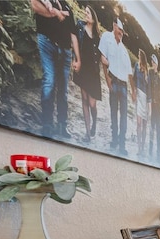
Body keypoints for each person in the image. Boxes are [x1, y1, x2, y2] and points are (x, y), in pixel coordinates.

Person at [30, 0, 81, 139]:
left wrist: (78, 58)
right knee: (49, 81)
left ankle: (62, 125)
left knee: (63, 90)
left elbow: (73, 34)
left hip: (65, 51)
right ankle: (47, 124)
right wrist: (56, 13)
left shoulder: (67, 6)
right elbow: (35, 5)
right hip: (47, 43)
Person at [98, 17, 134, 156]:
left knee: (124, 115)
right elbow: (103, 58)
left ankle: (122, 144)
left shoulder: (124, 50)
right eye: (120, 29)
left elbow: (129, 74)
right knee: (114, 112)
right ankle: (114, 139)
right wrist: (107, 79)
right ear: (114, 26)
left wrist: (133, 91)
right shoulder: (106, 37)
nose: (121, 33)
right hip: (113, 81)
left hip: (124, 85)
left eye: (123, 31)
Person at [72, 5, 101, 144]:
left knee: (92, 103)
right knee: (84, 101)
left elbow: (101, 55)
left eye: (88, 12)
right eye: (85, 12)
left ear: (94, 18)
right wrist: (75, 60)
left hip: (94, 73)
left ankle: (94, 122)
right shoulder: (80, 27)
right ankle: (88, 133)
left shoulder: (97, 36)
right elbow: (74, 42)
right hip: (84, 70)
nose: (86, 14)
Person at [133, 49, 149, 156]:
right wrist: (134, 92)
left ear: (142, 57)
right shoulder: (136, 66)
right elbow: (134, 80)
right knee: (138, 123)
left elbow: (149, 88)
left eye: (139, 55)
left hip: (145, 98)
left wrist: (149, 103)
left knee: (144, 124)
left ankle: (142, 146)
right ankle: (139, 147)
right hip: (138, 95)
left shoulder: (147, 71)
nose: (138, 56)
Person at [148, 54, 160, 161]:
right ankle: (150, 150)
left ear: (157, 64)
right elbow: (148, 88)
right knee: (152, 128)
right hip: (152, 105)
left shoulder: (159, 79)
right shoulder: (150, 73)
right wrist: (149, 103)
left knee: (158, 129)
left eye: (154, 62)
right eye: (151, 62)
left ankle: (157, 153)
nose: (152, 64)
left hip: (158, 107)